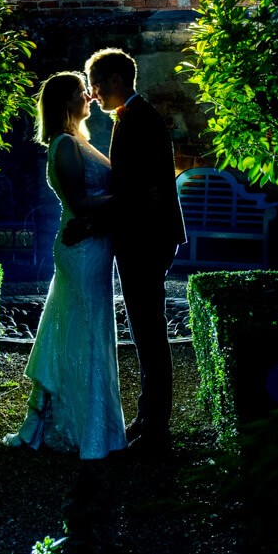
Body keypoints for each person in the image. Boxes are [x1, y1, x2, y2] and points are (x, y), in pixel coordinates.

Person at [4, 71, 126, 460]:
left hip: (94, 245)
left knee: (84, 324)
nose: (88, 96)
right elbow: (80, 202)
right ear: (65, 103)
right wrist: (132, 196)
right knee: (84, 327)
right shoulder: (65, 145)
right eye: (80, 92)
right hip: (82, 249)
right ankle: (86, 428)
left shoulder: (79, 141)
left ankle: (80, 420)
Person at [80, 48, 186, 456]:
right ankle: (148, 417)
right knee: (146, 329)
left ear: (115, 80)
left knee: (150, 331)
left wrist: (96, 219)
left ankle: (155, 426)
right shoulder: (134, 117)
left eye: (96, 85)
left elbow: (139, 191)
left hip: (146, 238)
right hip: (145, 236)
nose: (93, 94)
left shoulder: (140, 119)